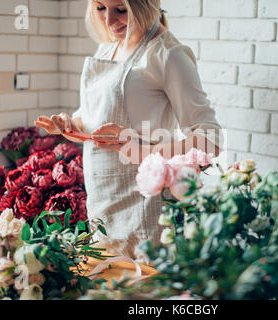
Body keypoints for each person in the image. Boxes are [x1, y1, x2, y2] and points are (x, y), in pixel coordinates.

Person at [34, 0, 222, 264]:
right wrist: (71, 125)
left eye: (121, 9)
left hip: (146, 212)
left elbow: (210, 139)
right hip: (103, 205)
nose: (109, 21)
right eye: (100, 8)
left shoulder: (168, 54)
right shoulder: (109, 47)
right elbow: (93, 116)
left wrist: (141, 150)